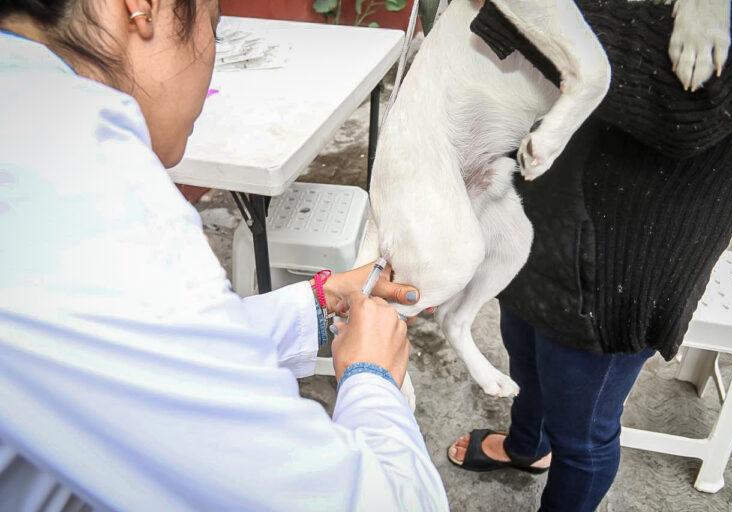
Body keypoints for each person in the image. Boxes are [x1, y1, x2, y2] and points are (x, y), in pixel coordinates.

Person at [0, 0, 449, 510]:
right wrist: (371, 381)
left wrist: (316, 306)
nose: (213, 53)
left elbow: (140, 357)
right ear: (144, 8)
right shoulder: (93, 198)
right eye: (214, 26)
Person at [445, 1, 732, 511]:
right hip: (545, 197)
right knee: (524, 350)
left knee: (584, 433)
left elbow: (685, 110)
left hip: (627, 247)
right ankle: (527, 446)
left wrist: (513, 8)